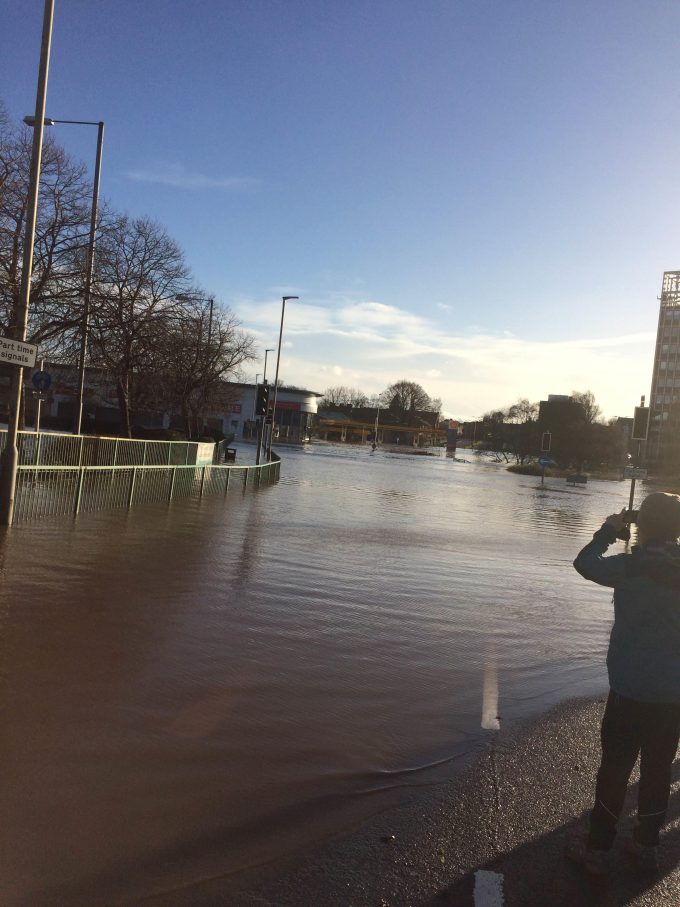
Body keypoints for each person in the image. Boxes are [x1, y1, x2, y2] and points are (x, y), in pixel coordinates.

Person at [569, 492, 680, 875]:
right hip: (671, 696)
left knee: (614, 770)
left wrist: (609, 530)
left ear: (642, 525)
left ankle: (598, 849)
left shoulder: (630, 567)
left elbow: (584, 563)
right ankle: (645, 843)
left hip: (629, 692)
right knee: (657, 771)